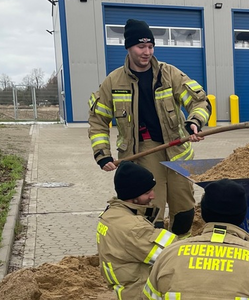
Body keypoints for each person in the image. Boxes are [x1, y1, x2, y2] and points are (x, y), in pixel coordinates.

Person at [88, 18, 211, 236]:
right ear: (128, 47)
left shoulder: (170, 74)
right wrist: (102, 154)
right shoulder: (113, 82)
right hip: (142, 153)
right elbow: (98, 121)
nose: (147, 52)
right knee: (152, 211)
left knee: (184, 210)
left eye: (150, 46)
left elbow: (199, 101)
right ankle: (153, 255)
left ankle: (179, 250)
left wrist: (194, 122)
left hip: (177, 150)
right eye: (141, 46)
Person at [96, 161, 177, 300]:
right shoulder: (133, 228)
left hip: (128, 297)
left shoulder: (112, 215)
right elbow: (173, 255)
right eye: (148, 192)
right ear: (133, 196)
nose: (152, 196)